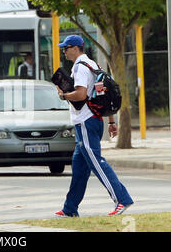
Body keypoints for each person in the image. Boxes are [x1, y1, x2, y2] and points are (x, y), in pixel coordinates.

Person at [54, 35, 133, 217]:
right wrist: (111, 121)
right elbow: (104, 94)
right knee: (79, 167)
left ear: (75, 48)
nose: (63, 51)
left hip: (85, 121)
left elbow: (81, 95)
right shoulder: (93, 65)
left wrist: (63, 95)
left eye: (65, 48)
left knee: (97, 162)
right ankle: (70, 208)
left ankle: (122, 199)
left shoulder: (80, 67)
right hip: (94, 120)